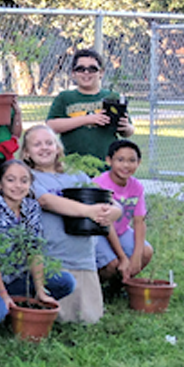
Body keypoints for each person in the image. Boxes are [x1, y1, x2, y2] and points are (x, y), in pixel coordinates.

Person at [21, 124, 121, 324]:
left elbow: (106, 198)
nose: (44, 148)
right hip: (53, 258)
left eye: (49, 143)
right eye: (37, 144)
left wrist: (114, 212)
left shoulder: (76, 176)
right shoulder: (27, 177)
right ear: (26, 152)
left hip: (83, 257)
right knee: (60, 317)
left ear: (58, 148)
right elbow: (46, 201)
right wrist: (89, 211)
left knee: (89, 318)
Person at [0, 159, 73, 319]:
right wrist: (2, 293)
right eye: (10, 180)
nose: (17, 186)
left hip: (16, 275)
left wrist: (41, 291)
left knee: (66, 281)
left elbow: (35, 249)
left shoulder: (31, 206)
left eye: (24, 180)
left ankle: (22, 304)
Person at [46, 48, 135, 161]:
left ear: (101, 73)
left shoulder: (112, 97)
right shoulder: (65, 97)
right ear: (73, 73)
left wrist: (126, 127)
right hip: (72, 163)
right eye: (81, 69)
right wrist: (88, 119)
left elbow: (128, 131)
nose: (86, 73)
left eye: (92, 69)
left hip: (106, 163)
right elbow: (51, 126)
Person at [93, 139, 153, 285]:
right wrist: (123, 257)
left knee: (146, 252)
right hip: (100, 232)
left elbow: (139, 221)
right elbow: (106, 224)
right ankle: (97, 289)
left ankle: (119, 284)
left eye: (132, 160)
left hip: (121, 232)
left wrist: (136, 256)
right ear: (109, 161)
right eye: (120, 160)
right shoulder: (99, 184)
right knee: (112, 264)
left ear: (139, 162)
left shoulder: (136, 187)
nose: (126, 165)